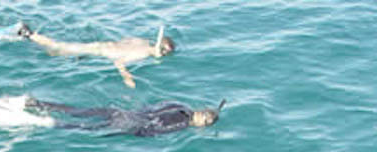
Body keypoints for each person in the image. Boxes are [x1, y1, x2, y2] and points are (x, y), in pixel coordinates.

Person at [17, 23, 175, 88]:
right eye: (164, 53)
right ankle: (28, 34)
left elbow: (123, 41)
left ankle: (31, 38)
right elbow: (119, 62)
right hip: (98, 51)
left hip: (101, 46)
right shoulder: (142, 53)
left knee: (57, 52)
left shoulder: (142, 41)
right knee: (56, 47)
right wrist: (127, 77)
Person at [24, 97, 226, 137]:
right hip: (130, 122)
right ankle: (48, 122)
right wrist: (135, 133)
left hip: (123, 112)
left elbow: (155, 106)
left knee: (78, 110)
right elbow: (154, 129)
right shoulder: (182, 124)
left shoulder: (180, 104)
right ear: (203, 122)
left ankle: (37, 103)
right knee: (84, 128)